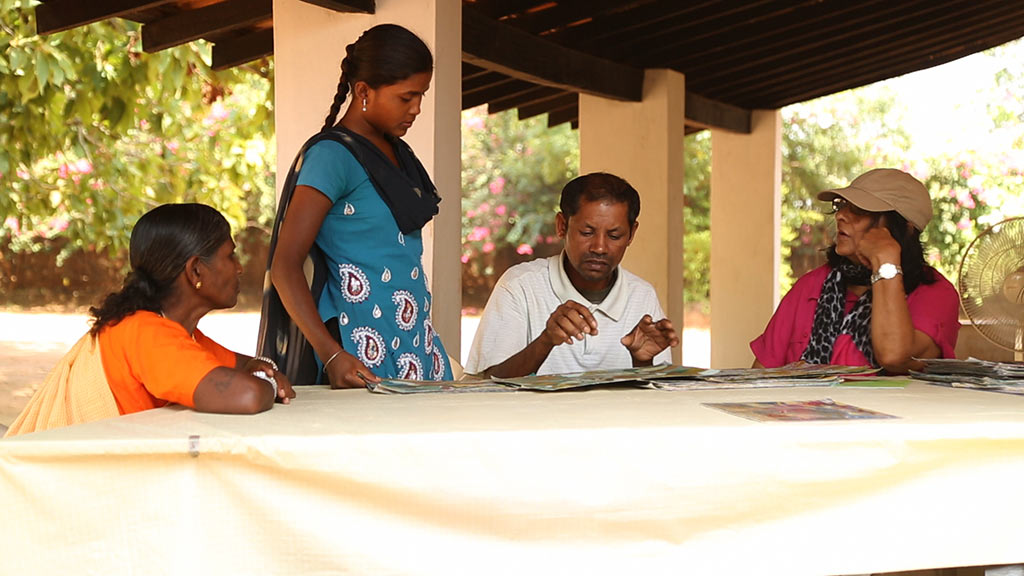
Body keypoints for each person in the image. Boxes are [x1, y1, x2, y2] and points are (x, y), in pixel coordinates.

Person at [5, 203, 294, 437]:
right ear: (195, 272)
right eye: (230, 256)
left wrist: (262, 367)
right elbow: (247, 396)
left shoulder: (173, 331)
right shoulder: (147, 333)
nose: (240, 268)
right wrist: (264, 380)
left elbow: (240, 365)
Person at [270, 24, 452, 388]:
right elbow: (284, 266)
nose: (416, 109)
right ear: (363, 91)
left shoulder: (397, 153)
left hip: (414, 340)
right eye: (406, 97)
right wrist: (331, 354)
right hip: (360, 348)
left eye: (422, 97)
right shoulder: (331, 157)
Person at [465, 172, 679, 377]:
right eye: (587, 233)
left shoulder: (642, 296)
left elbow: (655, 400)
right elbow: (490, 384)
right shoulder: (520, 287)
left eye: (615, 236)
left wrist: (642, 363)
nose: (600, 247)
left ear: (631, 234)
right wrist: (545, 341)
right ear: (562, 226)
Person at [750, 168, 960, 374]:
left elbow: (894, 357)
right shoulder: (811, 285)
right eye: (842, 205)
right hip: (800, 408)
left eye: (860, 209)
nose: (840, 215)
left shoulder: (935, 293)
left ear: (904, 227)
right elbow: (760, 378)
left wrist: (885, 260)